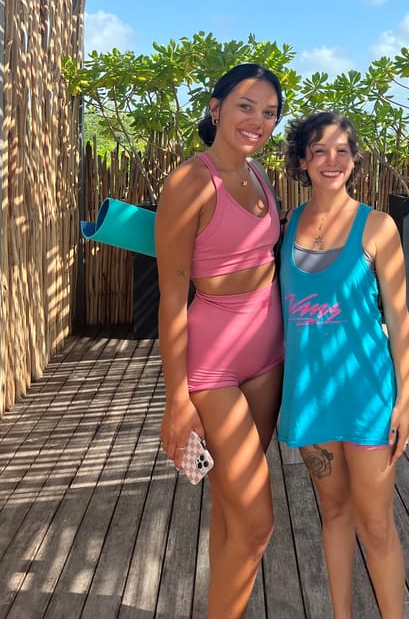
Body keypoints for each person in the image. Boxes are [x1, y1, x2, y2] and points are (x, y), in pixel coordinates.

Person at [156, 62, 285, 618]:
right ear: (216, 109)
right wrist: (176, 401)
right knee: (258, 524)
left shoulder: (259, 175)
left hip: (269, 355)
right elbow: (171, 298)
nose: (258, 120)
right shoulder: (190, 181)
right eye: (245, 106)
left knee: (231, 510)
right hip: (214, 365)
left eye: (269, 113)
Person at [278, 111, 409, 619]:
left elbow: (399, 320)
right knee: (333, 513)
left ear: (354, 161)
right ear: (302, 161)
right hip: (311, 398)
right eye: (319, 150)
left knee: (375, 526)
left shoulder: (377, 227)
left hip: (367, 400)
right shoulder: (285, 226)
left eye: (341, 151)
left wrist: (405, 402)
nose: (331, 160)